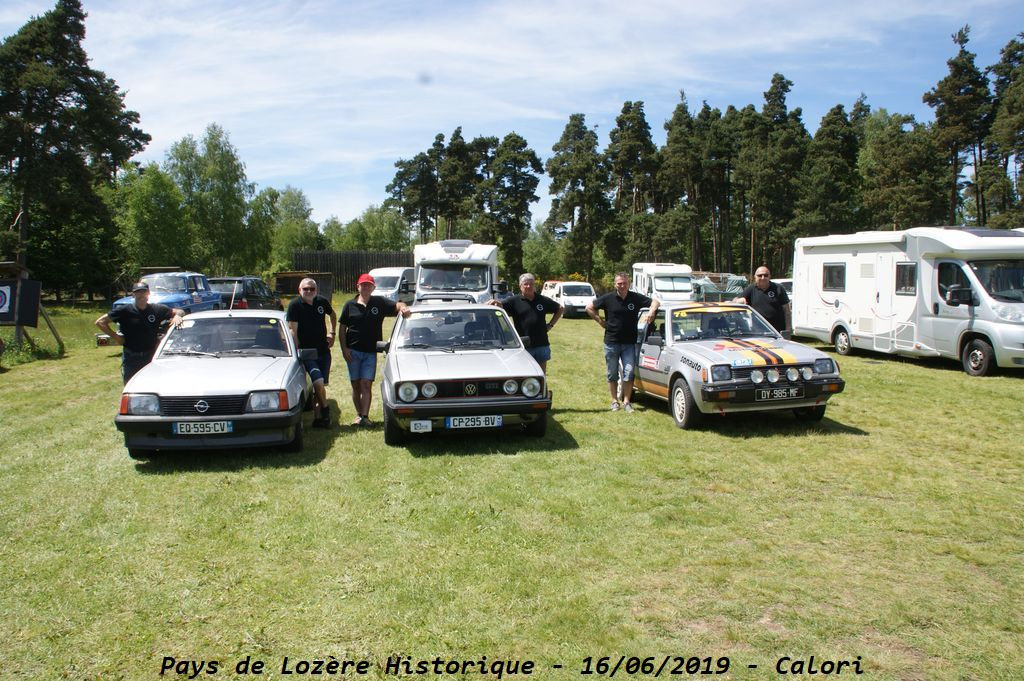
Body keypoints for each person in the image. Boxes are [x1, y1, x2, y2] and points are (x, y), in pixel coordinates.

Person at [339, 273, 411, 427]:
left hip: (370, 352)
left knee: (366, 384)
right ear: (357, 287)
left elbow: (397, 305)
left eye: (368, 285)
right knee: (356, 385)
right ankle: (358, 415)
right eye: (363, 285)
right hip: (353, 352)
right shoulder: (349, 305)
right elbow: (342, 328)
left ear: (373, 287)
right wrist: (344, 349)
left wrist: (404, 307)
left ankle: (365, 416)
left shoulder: (379, 302)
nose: (365, 287)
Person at [586, 272, 659, 413]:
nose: (622, 285)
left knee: (629, 372)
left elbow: (655, 302)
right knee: (612, 373)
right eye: (619, 283)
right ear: (615, 284)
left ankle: (626, 402)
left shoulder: (635, 298)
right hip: (611, 342)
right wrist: (600, 321)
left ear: (629, 283)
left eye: (625, 283)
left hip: (629, 343)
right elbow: (589, 308)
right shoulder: (608, 298)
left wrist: (652, 310)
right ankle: (614, 401)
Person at [95, 281, 184, 384]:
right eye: (138, 292)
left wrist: (178, 315)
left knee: (151, 385)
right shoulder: (124, 310)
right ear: (133, 294)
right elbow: (100, 322)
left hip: (151, 356)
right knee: (131, 386)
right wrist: (116, 337)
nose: (141, 294)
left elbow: (179, 311)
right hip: (131, 357)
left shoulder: (157, 309)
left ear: (148, 293)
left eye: (144, 291)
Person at [287, 277, 337, 428]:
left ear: (316, 290)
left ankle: (318, 418)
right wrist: (296, 352)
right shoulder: (295, 305)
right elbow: (292, 331)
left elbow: (333, 314)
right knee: (318, 382)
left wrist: (332, 333)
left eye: (312, 289)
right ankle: (326, 410)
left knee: (319, 387)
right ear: (299, 290)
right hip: (307, 352)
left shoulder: (322, 302)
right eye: (305, 289)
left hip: (323, 350)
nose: (309, 291)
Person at [488, 273, 562, 373]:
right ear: (520, 286)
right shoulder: (514, 301)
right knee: (524, 373)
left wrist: (550, 325)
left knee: (541, 374)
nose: (529, 286)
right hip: (523, 346)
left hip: (542, 343)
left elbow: (560, 308)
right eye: (526, 284)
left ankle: (543, 389)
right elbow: (499, 305)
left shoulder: (542, 300)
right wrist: (493, 302)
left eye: (531, 284)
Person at [733, 265, 790, 334]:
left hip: (777, 332)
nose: (763, 278)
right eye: (760, 275)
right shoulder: (751, 289)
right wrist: (739, 300)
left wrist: (788, 330)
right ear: (755, 276)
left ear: (769, 276)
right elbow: (734, 300)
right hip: (758, 332)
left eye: (766, 275)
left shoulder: (778, 288)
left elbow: (787, 311)